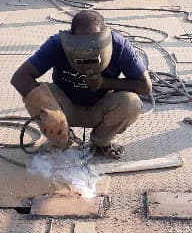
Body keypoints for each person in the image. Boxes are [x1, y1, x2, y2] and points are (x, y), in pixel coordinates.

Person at [11, 10, 151, 158]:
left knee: (131, 103)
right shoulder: (58, 44)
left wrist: (104, 83)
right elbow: (20, 78)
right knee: (36, 95)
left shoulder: (119, 45)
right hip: (65, 108)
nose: (87, 49)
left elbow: (145, 86)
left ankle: (101, 141)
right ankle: (61, 139)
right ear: (71, 36)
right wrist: (52, 114)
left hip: (100, 108)